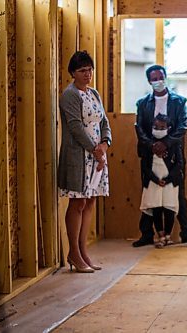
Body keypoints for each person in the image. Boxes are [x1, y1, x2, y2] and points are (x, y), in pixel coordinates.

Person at [58, 50, 111, 273]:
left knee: (90, 202)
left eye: (89, 69)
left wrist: (105, 143)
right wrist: (94, 150)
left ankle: (82, 251)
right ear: (73, 73)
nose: (87, 74)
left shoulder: (94, 93)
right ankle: (74, 253)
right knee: (77, 202)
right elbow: (75, 126)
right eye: (82, 70)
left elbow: (104, 121)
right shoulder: (70, 95)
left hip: (98, 155)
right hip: (80, 156)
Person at [132, 64, 187, 247]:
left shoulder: (179, 102)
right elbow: (140, 128)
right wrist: (153, 145)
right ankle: (146, 235)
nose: (157, 81)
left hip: (173, 155)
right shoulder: (143, 103)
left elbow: (182, 126)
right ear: (149, 81)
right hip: (149, 154)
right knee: (149, 193)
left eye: (160, 77)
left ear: (165, 77)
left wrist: (165, 143)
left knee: (178, 193)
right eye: (153, 79)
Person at [139, 114, 183, 248]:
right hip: (153, 181)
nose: (158, 129)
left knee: (169, 208)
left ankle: (168, 236)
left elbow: (179, 163)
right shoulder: (148, 144)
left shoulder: (174, 143)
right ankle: (160, 236)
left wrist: (168, 179)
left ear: (168, 128)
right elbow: (144, 165)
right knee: (156, 208)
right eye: (156, 127)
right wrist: (154, 179)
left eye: (162, 127)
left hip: (169, 182)